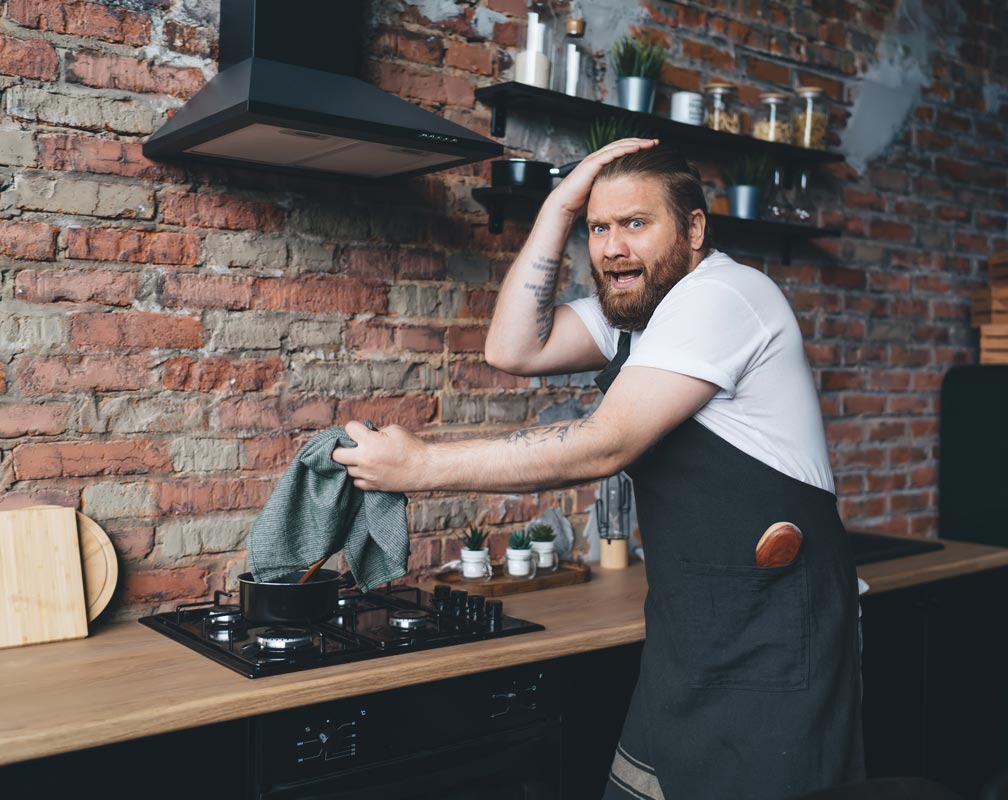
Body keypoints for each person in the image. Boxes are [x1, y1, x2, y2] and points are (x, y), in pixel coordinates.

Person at [332, 139, 865, 798]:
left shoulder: (725, 294)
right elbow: (512, 348)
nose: (612, 247)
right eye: (599, 228)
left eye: (636, 224)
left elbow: (603, 443)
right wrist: (558, 207)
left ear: (693, 229)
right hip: (690, 639)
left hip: (775, 643)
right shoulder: (641, 319)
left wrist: (419, 467)